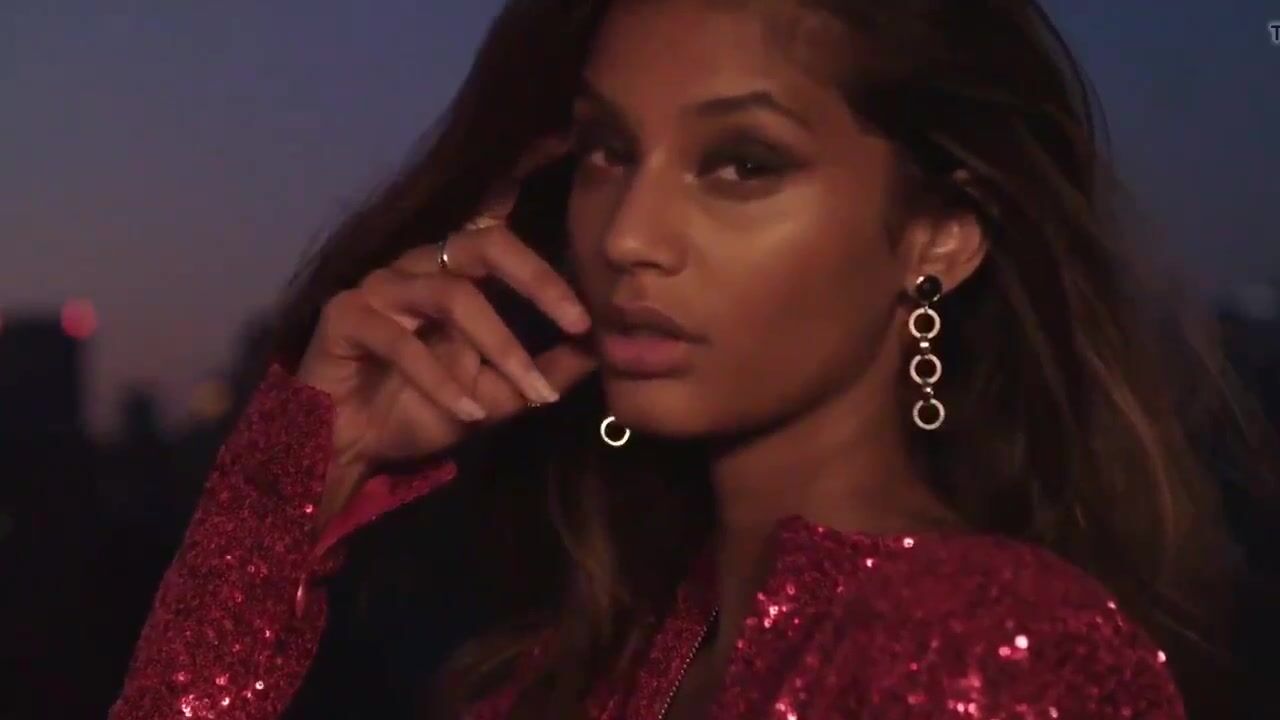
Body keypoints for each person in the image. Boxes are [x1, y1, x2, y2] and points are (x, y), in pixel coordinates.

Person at [109, 0, 1277, 718]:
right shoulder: (581, 661)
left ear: (937, 234)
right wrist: (296, 491)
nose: (627, 235)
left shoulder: (988, 651)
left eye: (741, 164)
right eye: (609, 151)